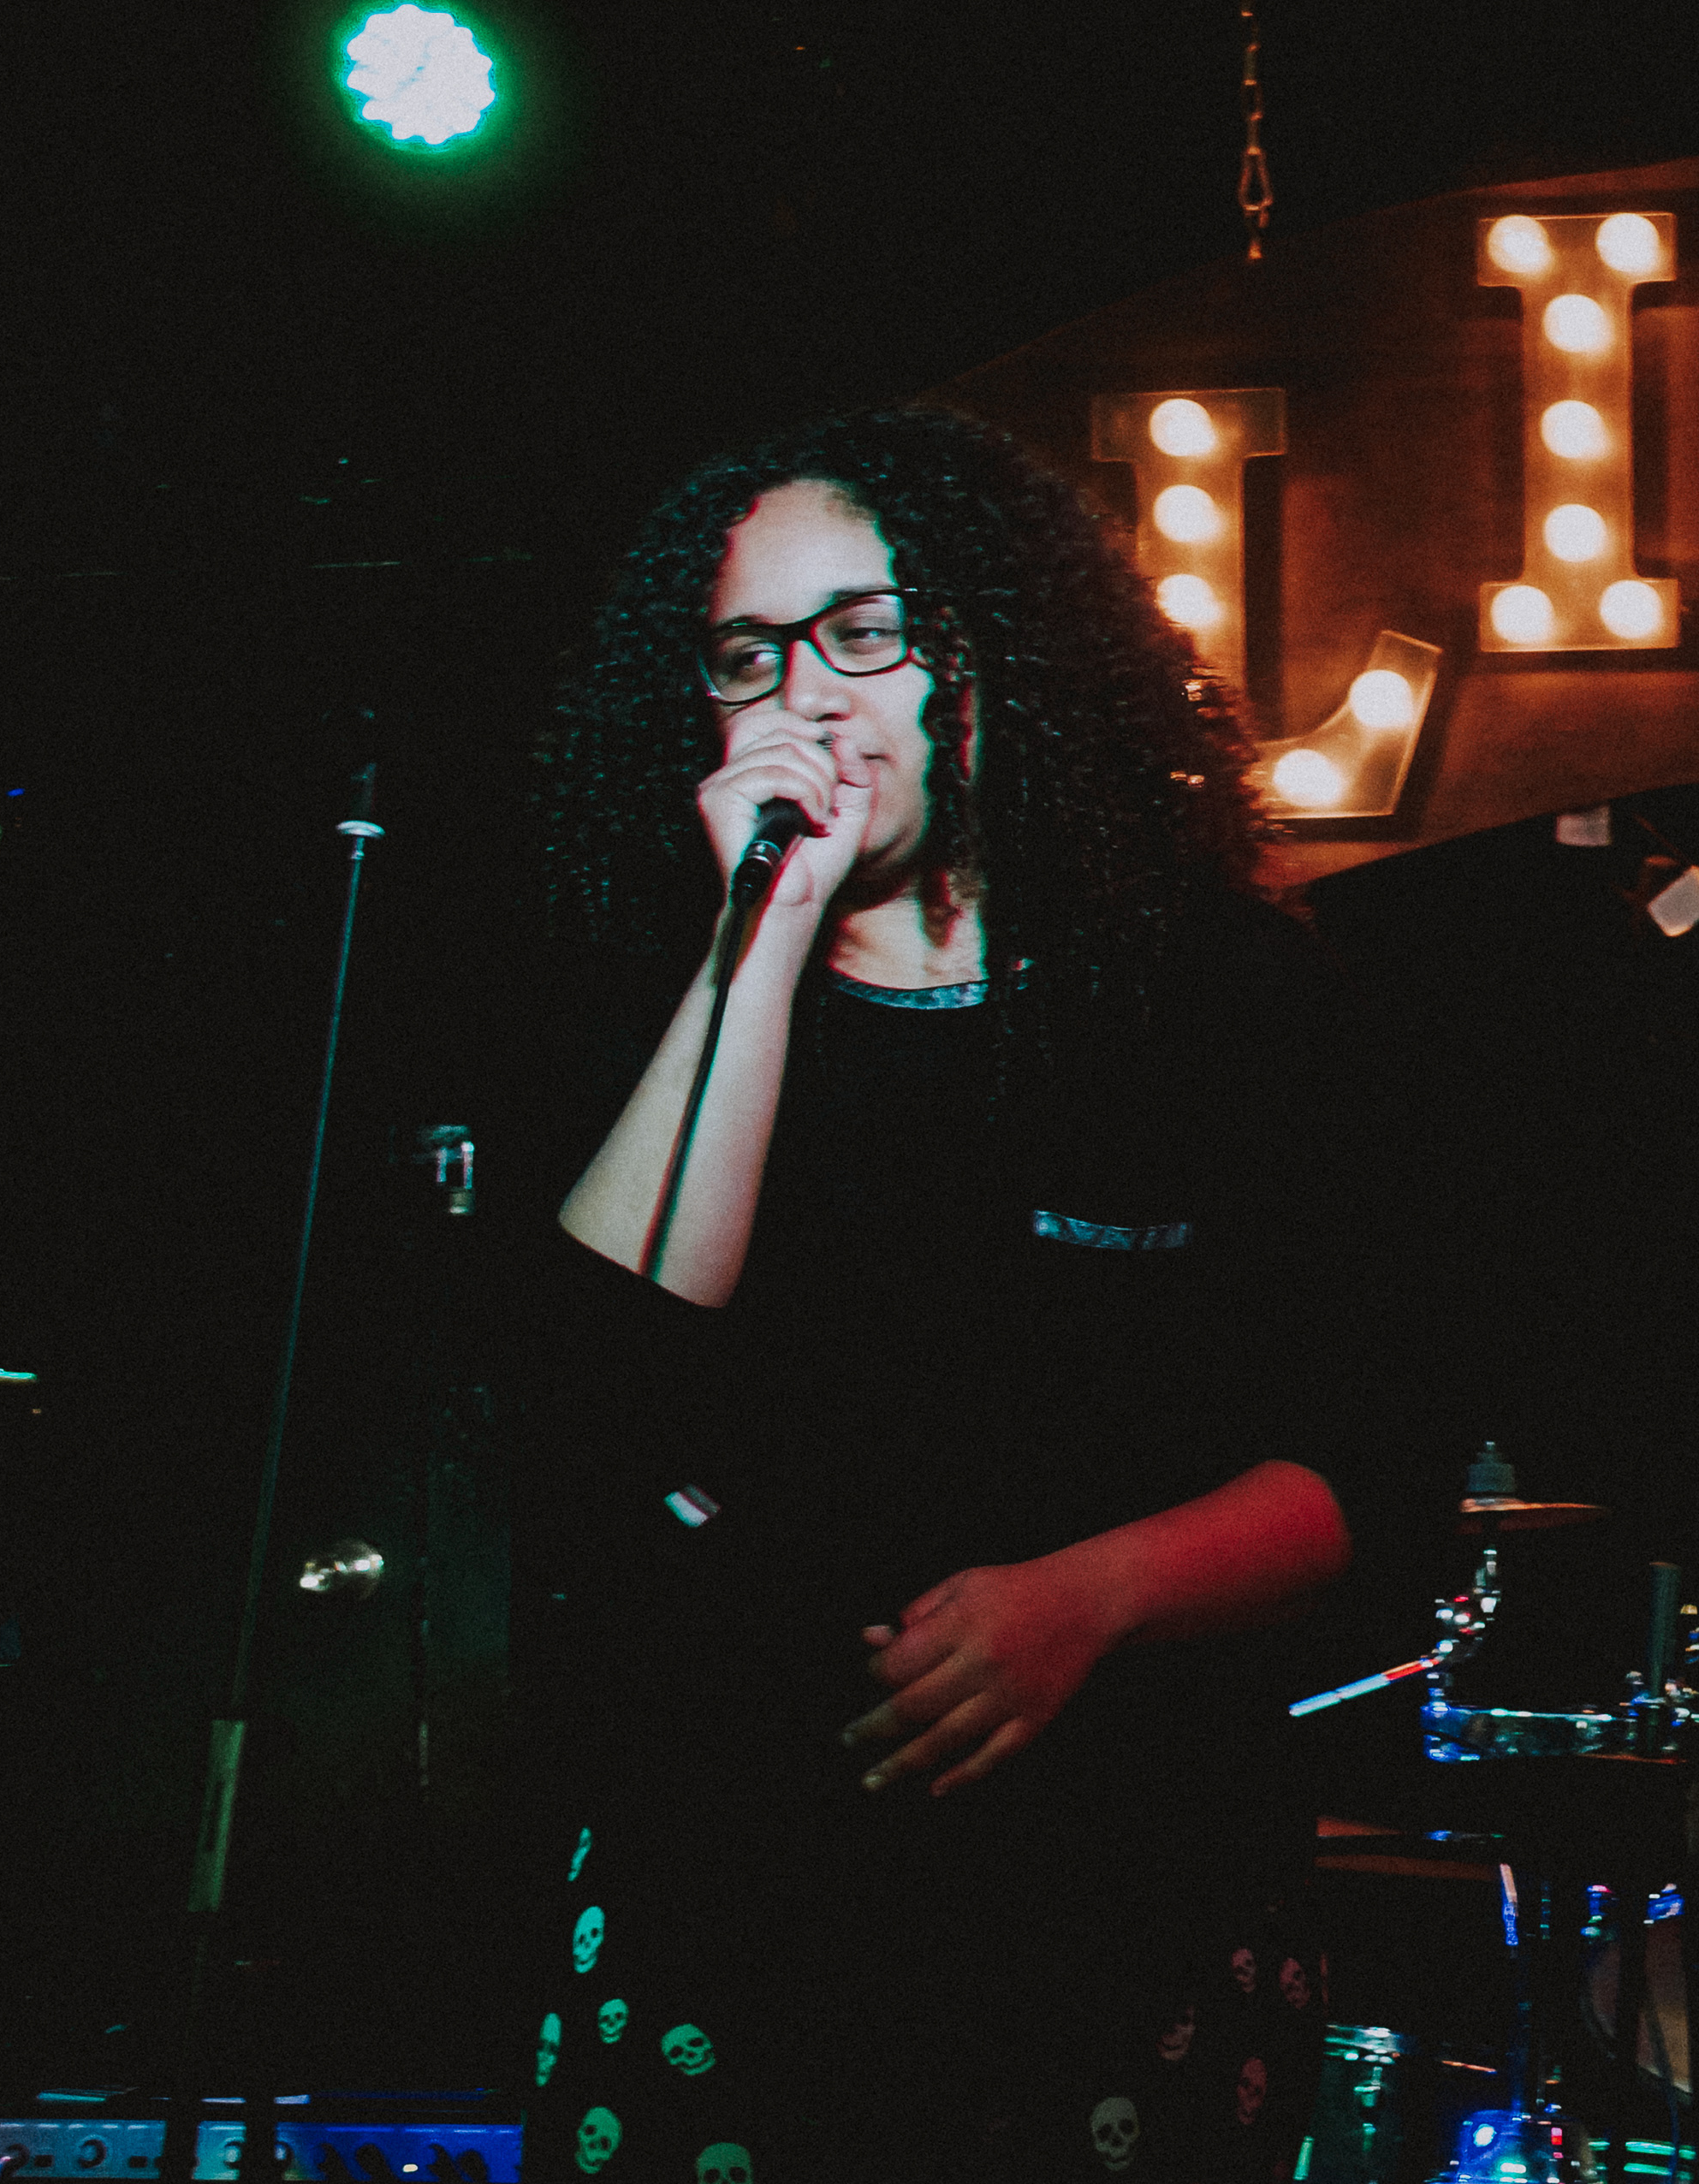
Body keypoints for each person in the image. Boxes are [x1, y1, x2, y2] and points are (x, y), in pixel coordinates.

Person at [522, 406, 1369, 2181]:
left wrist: (1090, 1597)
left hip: (1127, 1883)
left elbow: (1364, 1465)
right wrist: (763, 938)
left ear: (992, 657)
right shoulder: (673, 987)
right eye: (749, 655)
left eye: (864, 632)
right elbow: (605, 1383)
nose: (806, 700)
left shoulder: (1214, 998)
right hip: (741, 1892)